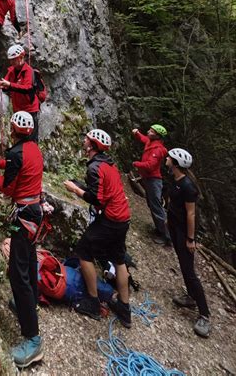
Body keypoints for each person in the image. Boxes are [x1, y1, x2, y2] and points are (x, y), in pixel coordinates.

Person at [0, 111, 44, 368]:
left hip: (24, 216)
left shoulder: (16, 153)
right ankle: (30, 304)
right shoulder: (33, 148)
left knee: (17, 273)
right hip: (35, 213)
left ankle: (33, 341)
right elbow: (18, 161)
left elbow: (7, 187)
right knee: (29, 262)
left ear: (12, 129)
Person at [64, 129, 132, 328]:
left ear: (92, 145)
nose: (84, 140)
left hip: (111, 219)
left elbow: (97, 199)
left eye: (86, 139)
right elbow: (102, 190)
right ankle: (124, 308)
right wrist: (81, 186)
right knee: (119, 259)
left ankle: (92, 303)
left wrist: (75, 189)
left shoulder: (94, 167)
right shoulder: (108, 163)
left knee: (84, 252)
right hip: (123, 218)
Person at [166, 148, 211, 338]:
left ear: (175, 163)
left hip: (185, 232)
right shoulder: (175, 180)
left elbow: (191, 214)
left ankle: (205, 315)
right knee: (184, 268)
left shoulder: (187, 187)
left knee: (190, 273)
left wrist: (191, 239)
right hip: (176, 229)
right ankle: (190, 298)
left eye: (169, 157)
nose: (166, 159)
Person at [132, 124, 171, 245]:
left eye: (151, 131)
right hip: (148, 179)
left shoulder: (158, 150)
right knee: (152, 204)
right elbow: (144, 139)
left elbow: (150, 166)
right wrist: (137, 133)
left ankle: (167, 237)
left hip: (154, 180)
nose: (148, 132)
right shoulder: (151, 142)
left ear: (157, 136)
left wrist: (137, 164)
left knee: (156, 207)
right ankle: (160, 229)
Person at [0, 44, 40, 142]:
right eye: (11, 60)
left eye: (14, 59)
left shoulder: (28, 71)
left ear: (21, 57)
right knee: (18, 137)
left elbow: (28, 88)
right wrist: (3, 86)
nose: (11, 62)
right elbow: (8, 85)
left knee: (31, 138)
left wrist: (10, 85)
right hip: (18, 109)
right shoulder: (11, 71)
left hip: (30, 109)